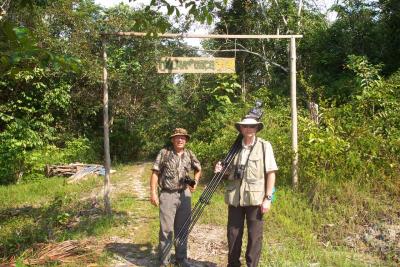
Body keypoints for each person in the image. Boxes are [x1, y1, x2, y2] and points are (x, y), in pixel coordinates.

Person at [215, 116, 278, 267]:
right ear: (241, 129)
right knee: (233, 234)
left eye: (252, 126)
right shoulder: (234, 148)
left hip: (256, 199)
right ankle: (233, 264)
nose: (249, 129)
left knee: (254, 236)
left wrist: (268, 198)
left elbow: (271, 173)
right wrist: (220, 170)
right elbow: (229, 172)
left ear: (256, 128)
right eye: (245, 126)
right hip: (235, 198)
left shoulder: (264, 146)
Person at [150, 128, 202, 267]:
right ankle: (164, 261)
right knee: (166, 229)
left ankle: (181, 259)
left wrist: (195, 182)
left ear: (186, 140)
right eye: (177, 137)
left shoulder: (190, 154)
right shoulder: (164, 153)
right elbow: (155, 172)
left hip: (185, 194)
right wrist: (153, 192)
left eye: (183, 138)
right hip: (167, 194)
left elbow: (198, 168)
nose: (180, 140)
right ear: (172, 140)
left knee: (183, 228)